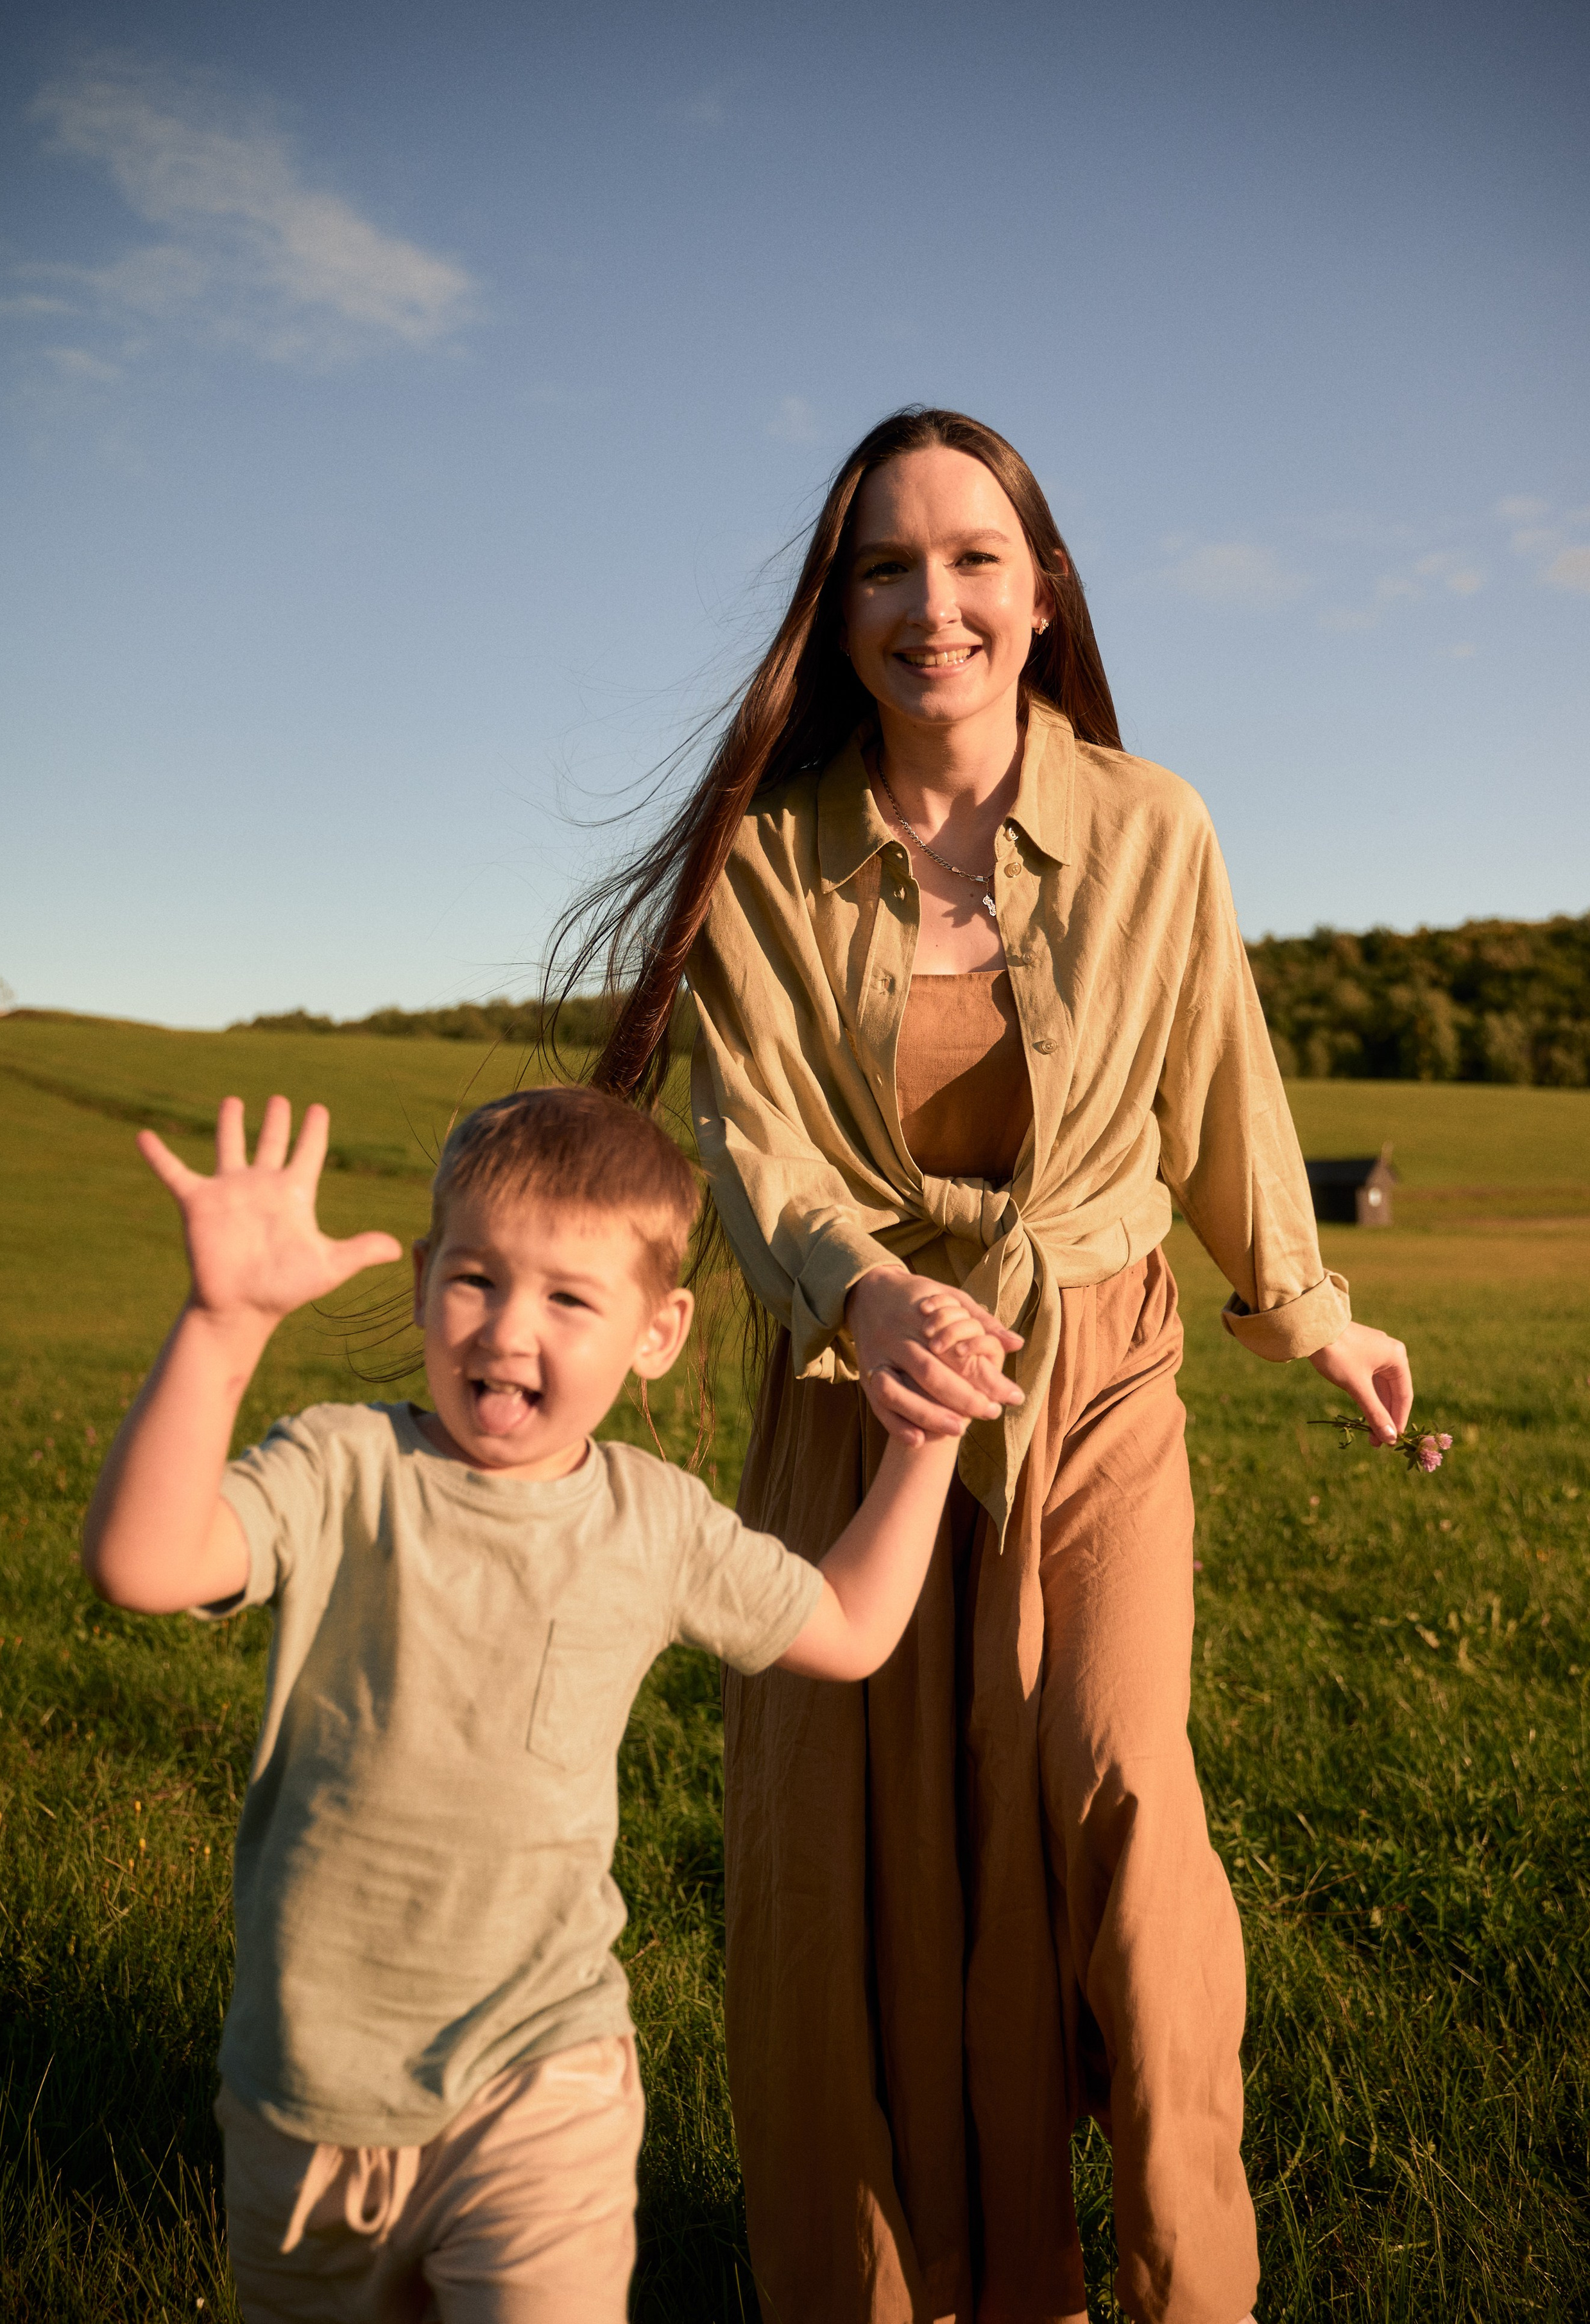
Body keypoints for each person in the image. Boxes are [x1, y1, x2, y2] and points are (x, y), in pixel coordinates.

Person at [561, 408, 1414, 2324]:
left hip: (1092, 1367)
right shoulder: (767, 860)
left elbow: (1224, 1094)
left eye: (970, 558)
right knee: (844, 1861)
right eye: (884, 563)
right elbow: (762, 1149)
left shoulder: (1153, 823)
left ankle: (1189, 2276)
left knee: (1115, 1780)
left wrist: (1317, 1311)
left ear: (1041, 595)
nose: (928, 601)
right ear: (837, 607)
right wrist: (869, 1304)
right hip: (848, 1403)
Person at [81, 1081, 999, 2324]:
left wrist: (924, 1445)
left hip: (543, 2066)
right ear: (420, 1283)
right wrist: (219, 1325)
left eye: (569, 1298)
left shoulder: (650, 1518)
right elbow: (142, 1560)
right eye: (475, 1279)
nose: (510, 1330)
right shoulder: (347, 1467)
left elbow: (844, 1628)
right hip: (307, 2089)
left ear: (656, 1331)